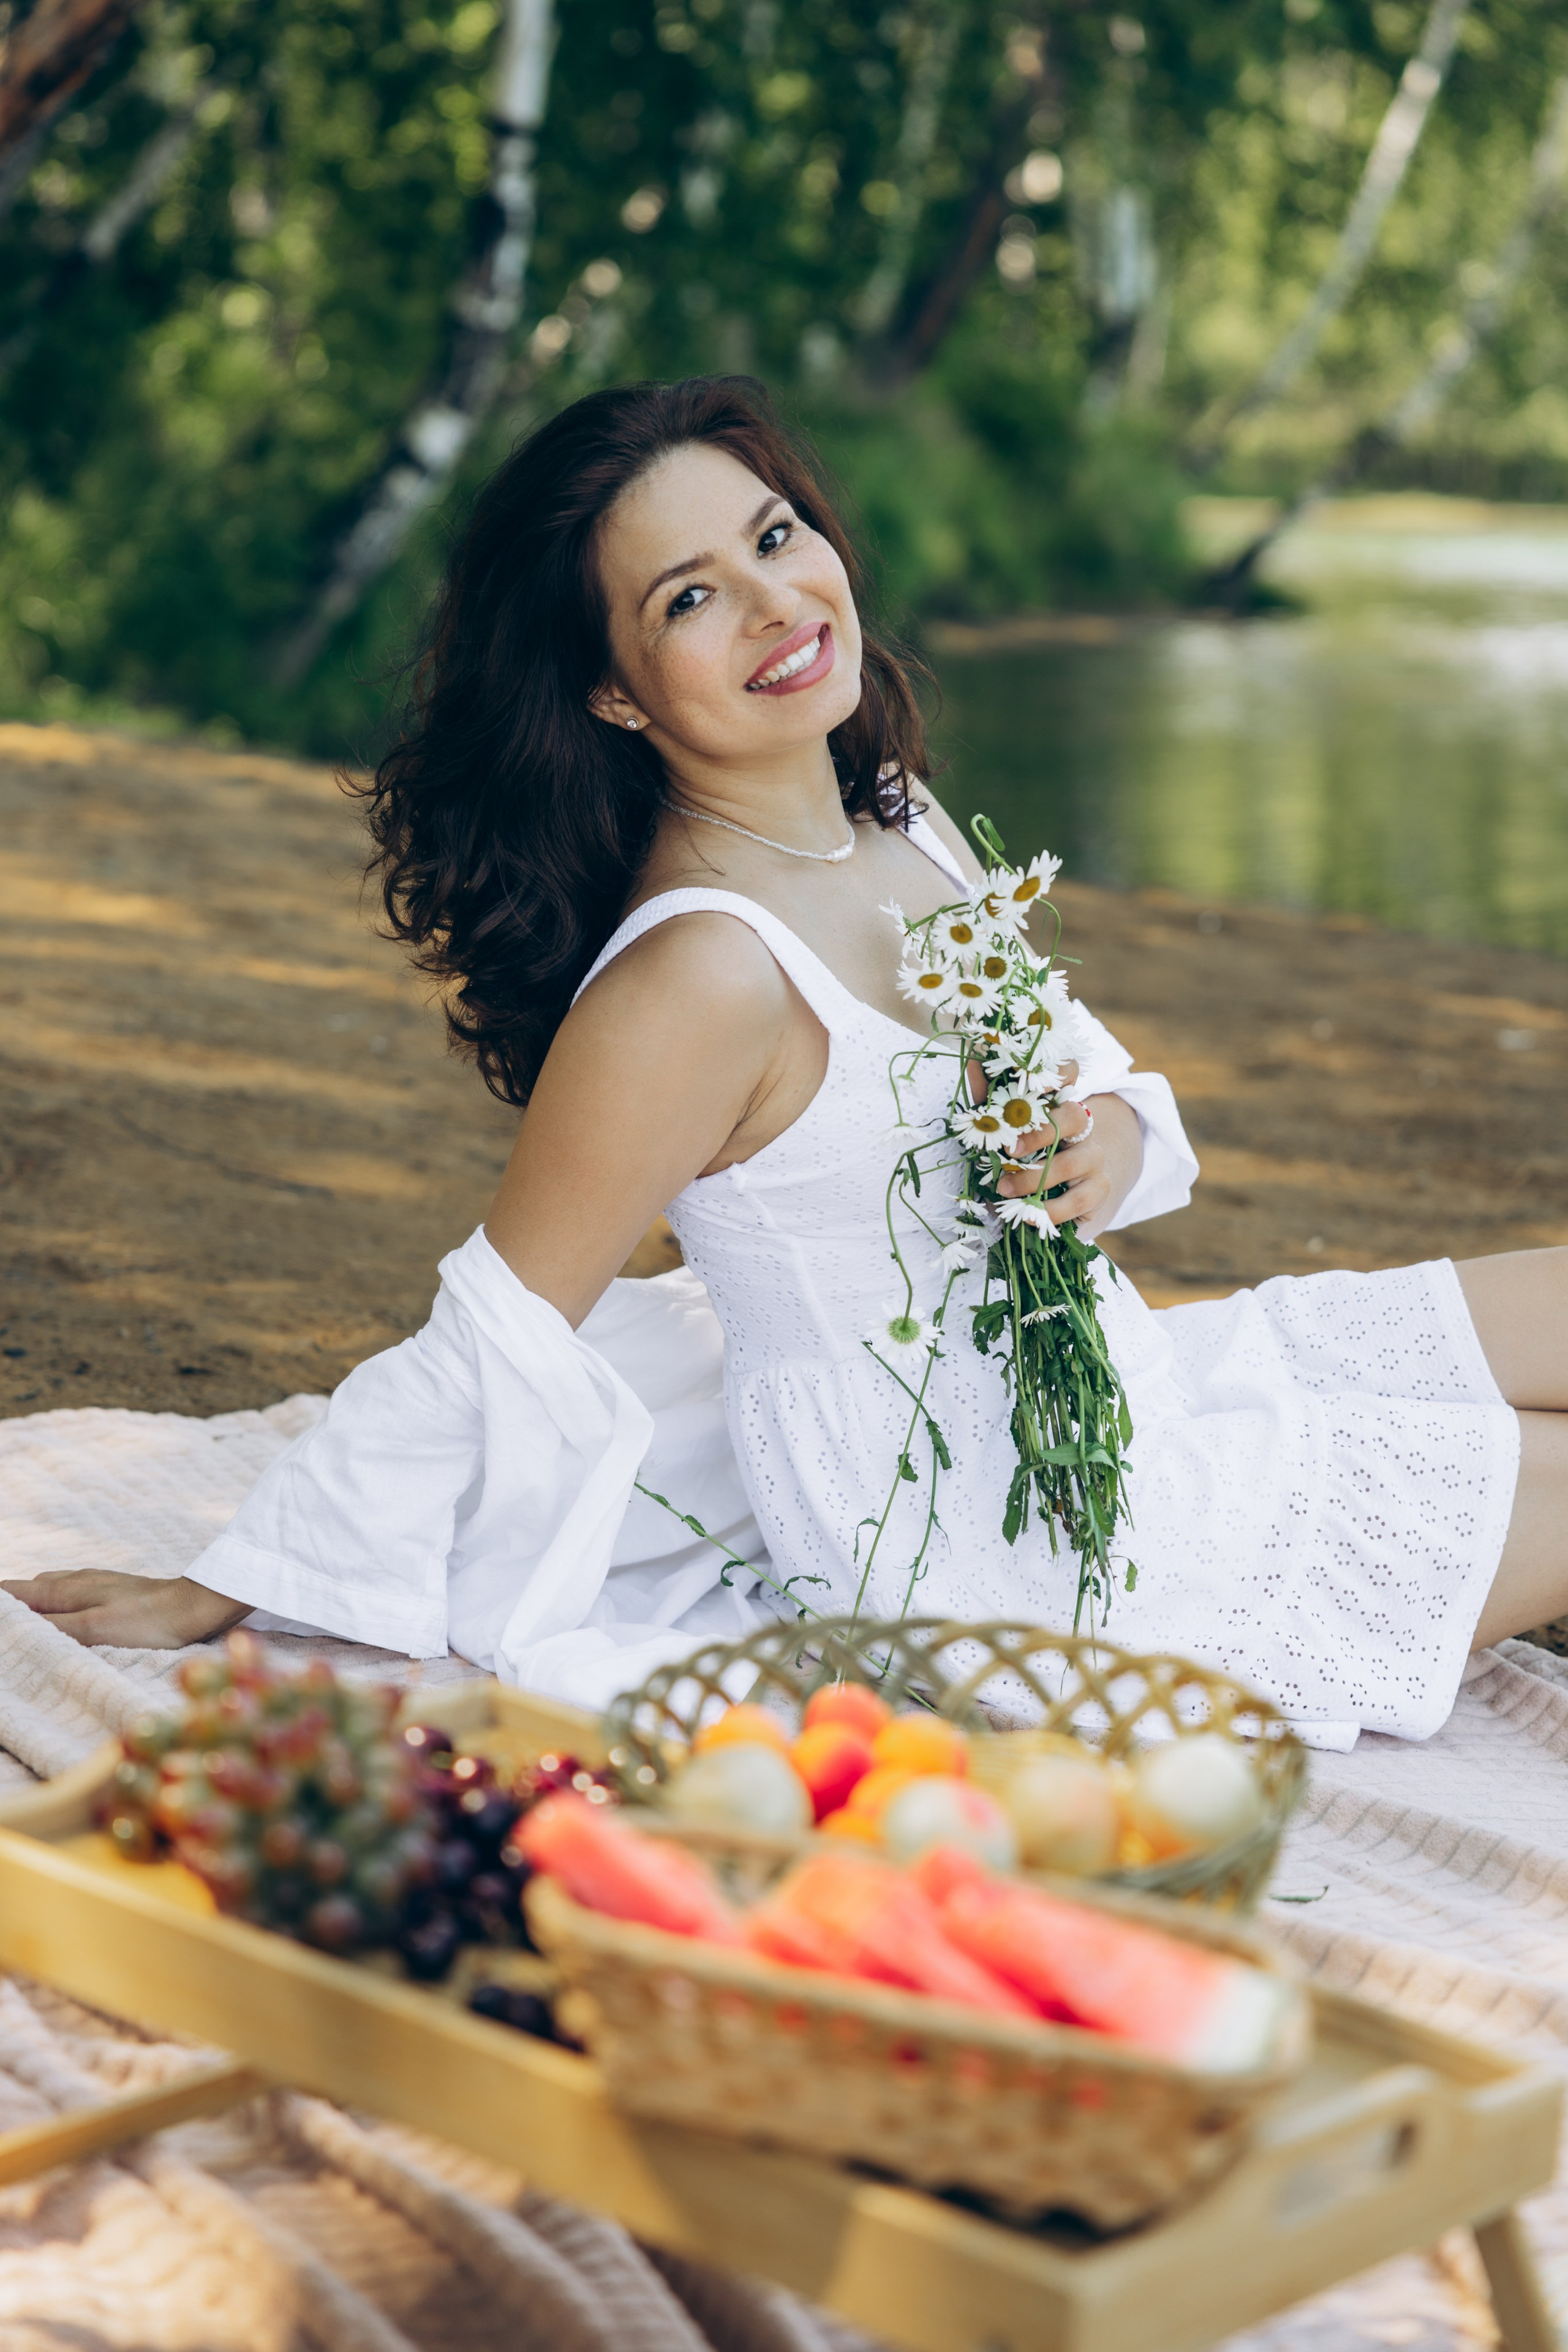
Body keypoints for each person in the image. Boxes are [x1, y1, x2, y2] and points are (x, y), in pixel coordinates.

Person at [9, 377, 1566, 1746]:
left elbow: (1101, 1084)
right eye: (685, 599)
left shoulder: (897, 823)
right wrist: (228, 1581)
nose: (773, 605)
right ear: (613, 691)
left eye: (770, 537)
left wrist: (1102, 1139)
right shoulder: (700, 977)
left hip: (1118, 1391)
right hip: (1001, 1550)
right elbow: (499, 1329)